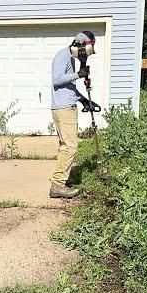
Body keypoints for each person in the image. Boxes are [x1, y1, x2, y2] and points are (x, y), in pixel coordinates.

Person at [49, 31, 95, 199]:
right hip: (63, 108)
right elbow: (57, 79)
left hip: (67, 106)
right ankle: (58, 185)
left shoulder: (70, 58)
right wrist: (78, 75)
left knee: (65, 146)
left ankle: (60, 180)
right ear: (81, 45)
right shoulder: (63, 56)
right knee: (71, 146)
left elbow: (68, 87)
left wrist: (84, 100)